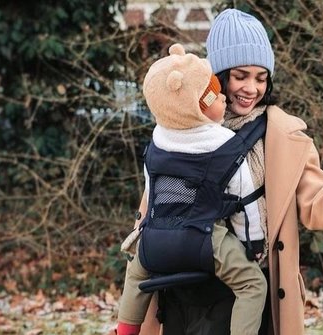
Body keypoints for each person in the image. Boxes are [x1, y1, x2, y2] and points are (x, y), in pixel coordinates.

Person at [136, 8, 323, 335]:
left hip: (248, 292)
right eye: (241, 76)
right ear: (218, 75)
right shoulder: (181, 130)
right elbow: (154, 208)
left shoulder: (280, 137)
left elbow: (312, 192)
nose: (252, 88)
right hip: (183, 291)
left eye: (261, 78)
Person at [116, 43, 268, 335]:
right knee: (252, 284)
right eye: (216, 97)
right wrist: (254, 244)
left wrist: (144, 235)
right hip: (203, 240)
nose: (223, 98)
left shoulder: (157, 142)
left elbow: (152, 194)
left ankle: (124, 330)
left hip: (155, 240)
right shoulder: (225, 145)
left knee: (135, 276)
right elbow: (245, 201)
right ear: (199, 109)